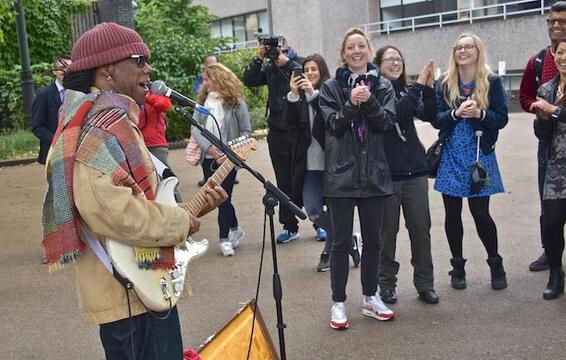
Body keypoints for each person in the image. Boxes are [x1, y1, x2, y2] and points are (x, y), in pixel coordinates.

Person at [41, 22, 227, 359]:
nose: (148, 68)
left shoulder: (116, 121)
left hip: (141, 286)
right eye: (139, 60)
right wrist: (179, 223)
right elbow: (113, 212)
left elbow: (142, 201)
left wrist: (194, 209)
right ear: (107, 70)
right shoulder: (98, 130)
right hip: (128, 296)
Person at [319, 27, 396, 330]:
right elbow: (333, 126)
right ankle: (338, 303)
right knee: (340, 241)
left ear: (368, 49)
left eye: (361, 46)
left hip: (374, 175)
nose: (356, 51)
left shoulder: (385, 86)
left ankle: (370, 297)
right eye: (350, 47)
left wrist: (370, 101)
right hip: (341, 176)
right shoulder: (330, 88)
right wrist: (352, 103)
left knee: (374, 240)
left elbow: (386, 124)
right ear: (343, 53)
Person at [434, 33, 508, 291]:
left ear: (478, 51)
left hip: (480, 156)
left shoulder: (491, 81)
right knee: (452, 214)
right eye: (459, 47)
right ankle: (458, 266)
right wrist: (455, 113)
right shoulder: (444, 83)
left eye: (468, 47)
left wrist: (480, 113)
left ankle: (495, 263)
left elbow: (501, 118)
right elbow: (436, 118)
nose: (463, 51)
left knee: (480, 213)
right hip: (452, 155)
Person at [374, 45, 439, 305]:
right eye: (389, 59)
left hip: (415, 171)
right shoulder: (375, 91)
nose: (395, 63)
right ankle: (386, 285)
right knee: (386, 234)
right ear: (378, 65)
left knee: (421, 230)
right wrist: (419, 86)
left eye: (398, 59)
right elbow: (398, 113)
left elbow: (431, 116)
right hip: (387, 175)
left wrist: (430, 89)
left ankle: (425, 284)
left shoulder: (406, 89)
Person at [285, 53, 361, 272]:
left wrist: (312, 94)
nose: (309, 74)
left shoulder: (331, 91)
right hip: (309, 165)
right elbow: (287, 125)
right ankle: (348, 241)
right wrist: (293, 94)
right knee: (314, 211)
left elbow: (333, 122)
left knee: (336, 211)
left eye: (313, 70)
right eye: (305, 70)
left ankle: (329, 251)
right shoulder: (296, 97)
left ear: (322, 71)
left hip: (333, 163)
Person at [243, 37, 304, 244]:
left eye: (276, 48)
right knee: (283, 179)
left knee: (305, 177)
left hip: (298, 130)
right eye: (270, 49)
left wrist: (283, 61)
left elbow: (301, 79)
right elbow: (249, 80)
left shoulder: (298, 64)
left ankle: (318, 222)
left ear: (286, 47)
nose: (274, 52)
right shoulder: (268, 68)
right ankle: (289, 226)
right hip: (277, 131)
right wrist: (259, 58)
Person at [520, 1, 566, 272]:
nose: (556, 25)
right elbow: (526, 96)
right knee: (549, 205)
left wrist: (554, 110)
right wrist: (538, 109)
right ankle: (550, 254)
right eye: (552, 21)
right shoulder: (537, 60)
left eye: (562, 20)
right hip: (549, 144)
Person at [191, 63, 251, 257]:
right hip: (209, 158)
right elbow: (195, 127)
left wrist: (229, 152)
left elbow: (246, 132)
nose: (204, 83)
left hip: (229, 160)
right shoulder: (202, 102)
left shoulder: (236, 102)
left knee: (224, 199)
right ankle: (235, 228)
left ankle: (224, 240)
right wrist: (210, 149)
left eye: (207, 79)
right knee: (218, 200)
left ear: (219, 78)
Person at [531, 38, 566, 300]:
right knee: (552, 222)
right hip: (557, 165)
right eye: (560, 53)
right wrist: (543, 119)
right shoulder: (546, 88)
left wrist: (554, 111)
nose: (563, 57)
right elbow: (542, 134)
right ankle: (556, 272)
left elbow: (556, 113)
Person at [138, 92, 183, 202]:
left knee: (167, 179)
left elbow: (166, 105)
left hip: (155, 145)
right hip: (137, 144)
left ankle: (183, 210)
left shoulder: (153, 91)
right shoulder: (128, 93)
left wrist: (146, 96)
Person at [31, 54, 71, 165]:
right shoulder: (43, 94)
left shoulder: (80, 93)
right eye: (61, 68)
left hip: (75, 154)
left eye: (69, 67)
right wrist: (57, 141)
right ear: (54, 71)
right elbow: (37, 127)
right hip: (51, 154)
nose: (65, 70)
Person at [193, 54, 220, 187]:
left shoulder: (233, 100)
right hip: (208, 154)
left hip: (226, 156)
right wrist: (209, 148)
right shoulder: (203, 99)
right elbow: (194, 127)